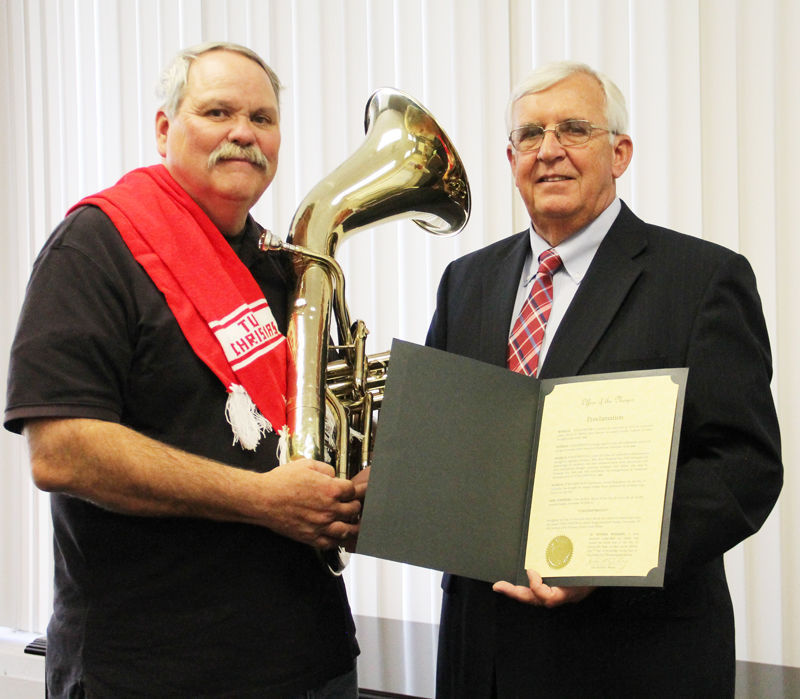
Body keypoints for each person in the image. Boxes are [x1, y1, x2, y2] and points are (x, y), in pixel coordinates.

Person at [4, 42, 366, 698]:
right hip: (152, 671)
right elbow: (61, 451)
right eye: (218, 111)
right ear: (164, 128)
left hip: (310, 661)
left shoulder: (281, 264)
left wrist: (354, 489)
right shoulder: (93, 248)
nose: (243, 132)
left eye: (262, 118)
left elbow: (300, 436)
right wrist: (264, 500)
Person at [427, 61, 782, 698]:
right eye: (530, 135)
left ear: (619, 153)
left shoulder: (702, 280)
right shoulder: (465, 281)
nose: (549, 150)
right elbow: (444, 442)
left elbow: (744, 467)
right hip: (482, 653)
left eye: (574, 129)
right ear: (511, 159)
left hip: (634, 658)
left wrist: (609, 557)